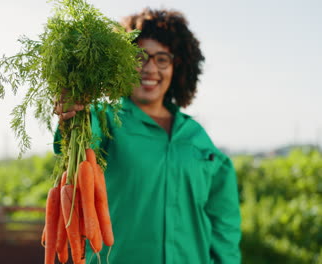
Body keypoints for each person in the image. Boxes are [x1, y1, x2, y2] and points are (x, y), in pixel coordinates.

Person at [54, 8, 241, 264]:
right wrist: (71, 115)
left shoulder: (197, 137)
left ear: (177, 66)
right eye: (139, 56)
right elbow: (75, 150)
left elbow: (224, 225)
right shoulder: (103, 118)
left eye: (162, 58)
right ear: (120, 65)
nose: (150, 68)